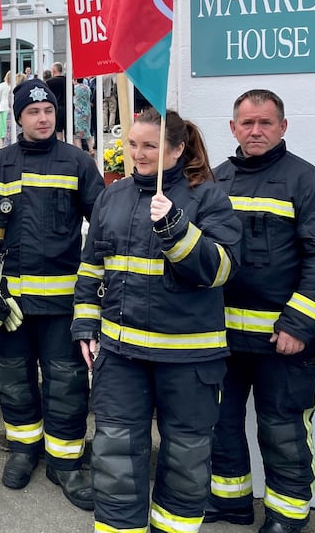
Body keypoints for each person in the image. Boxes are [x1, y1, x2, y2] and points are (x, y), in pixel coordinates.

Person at [72, 108, 241, 533]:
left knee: (186, 458)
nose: (138, 154)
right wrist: (85, 327)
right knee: (114, 455)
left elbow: (220, 270)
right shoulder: (114, 194)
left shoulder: (208, 197)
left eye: (149, 145)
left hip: (188, 360)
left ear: (177, 149)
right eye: (132, 144)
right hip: (120, 355)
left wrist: (175, 229)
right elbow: (92, 268)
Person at [208, 90, 315, 533]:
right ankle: (229, 502)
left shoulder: (305, 182)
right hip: (222, 339)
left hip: (282, 341)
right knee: (220, 423)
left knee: (283, 429)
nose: (255, 131)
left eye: (265, 123)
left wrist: (300, 325)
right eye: (247, 123)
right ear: (233, 128)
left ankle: (288, 515)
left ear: (283, 127)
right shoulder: (216, 181)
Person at [0, 78, 104, 509]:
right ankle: (23, 449)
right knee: (14, 379)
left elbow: (103, 222)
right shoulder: (1, 162)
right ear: (19, 118)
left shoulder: (79, 162)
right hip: (13, 305)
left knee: (66, 382)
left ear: (56, 115)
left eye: (48, 112)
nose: (42, 119)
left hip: (63, 304)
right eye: (32, 113)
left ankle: (66, 462)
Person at [73, 77, 94, 154]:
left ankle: (79, 150)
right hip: (87, 111)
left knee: (78, 133)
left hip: (78, 111)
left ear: (75, 80)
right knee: (87, 131)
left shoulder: (75, 88)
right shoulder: (87, 88)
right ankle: (91, 148)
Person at [0, 71, 14, 147]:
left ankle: (3, 144)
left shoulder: (2, 85)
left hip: (3, 107)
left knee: (3, 128)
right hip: (11, 107)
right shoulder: (14, 85)